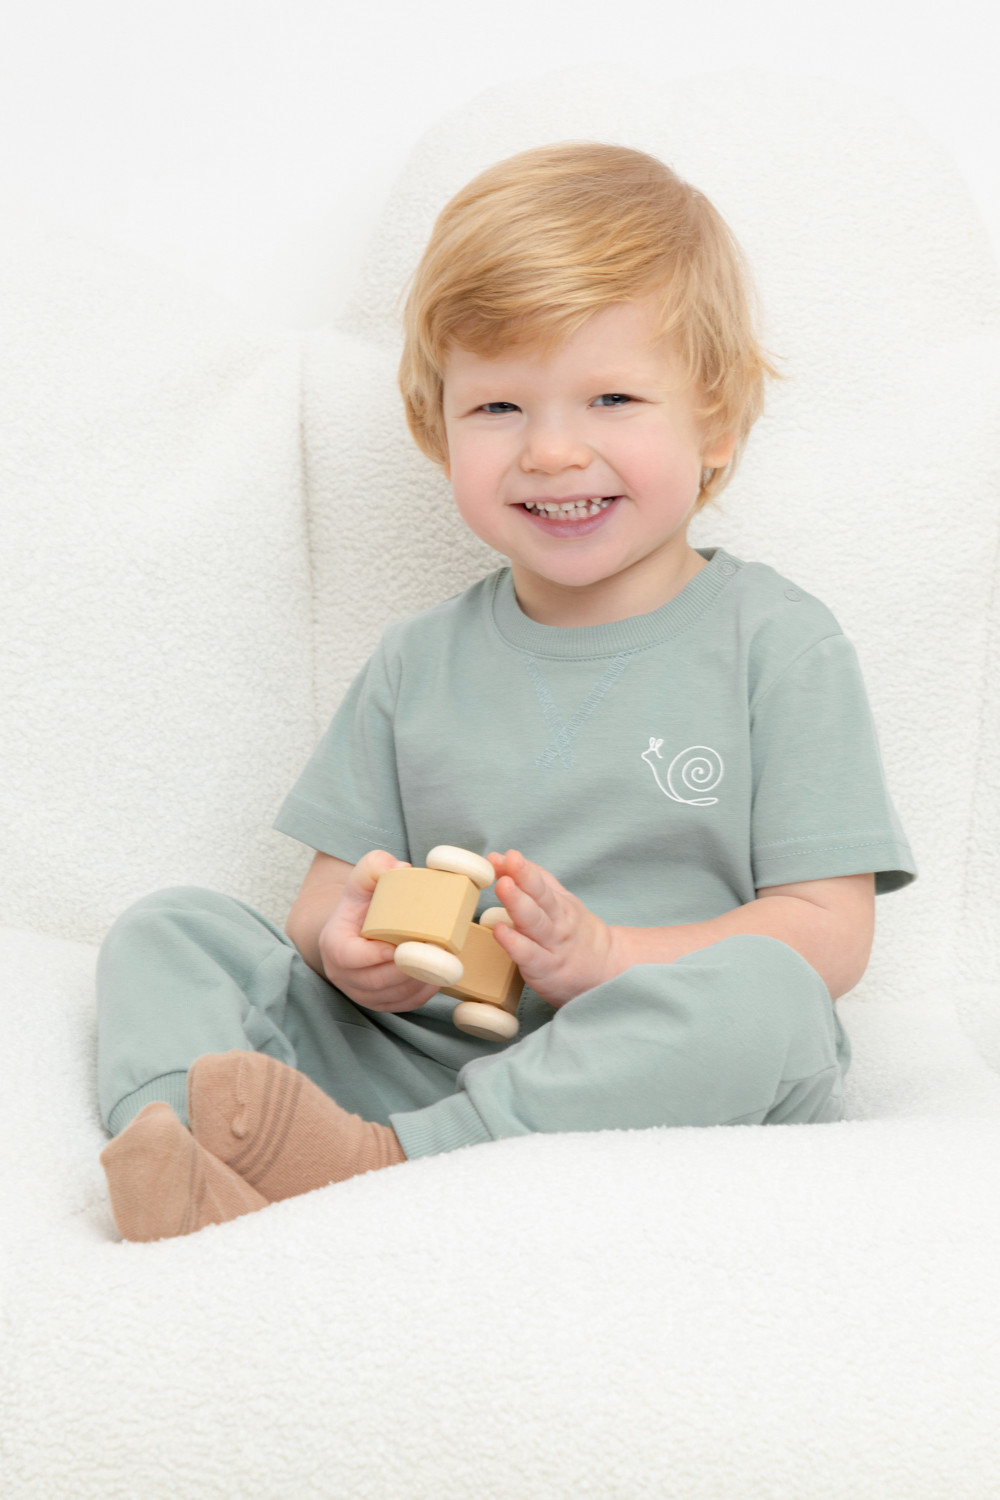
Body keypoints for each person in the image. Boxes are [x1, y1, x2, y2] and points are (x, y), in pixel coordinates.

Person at [97, 142, 916, 1241]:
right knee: (173, 930)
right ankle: (177, 1149)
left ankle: (389, 1167)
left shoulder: (777, 644)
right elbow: (323, 899)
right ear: (434, 427)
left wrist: (607, 959)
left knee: (770, 999)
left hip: (647, 1072)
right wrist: (351, 950)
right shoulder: (416, 661)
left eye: (612, 397)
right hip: (416, 1055)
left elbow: (829, 935)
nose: (553, 450)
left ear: (715, 419)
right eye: (497, 407)